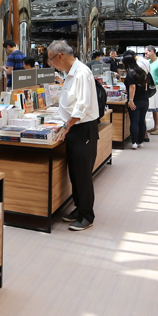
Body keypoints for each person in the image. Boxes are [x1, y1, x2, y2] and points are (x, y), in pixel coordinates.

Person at [47, 40, 100, 232]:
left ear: (59, 56)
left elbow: (83, 104)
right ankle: (79, 209)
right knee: (75, 173)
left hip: (82, 128)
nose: (51, 64)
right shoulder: (70, 74)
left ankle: (87, 215)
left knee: (83, 174)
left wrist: (67, 126)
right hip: (75, 127)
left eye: (51, 60)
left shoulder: (81, 72)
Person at [121, 51, 149, 149]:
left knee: (134, 121)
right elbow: (145, 85)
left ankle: (134, 142)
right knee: (142, 121)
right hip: (145, 100)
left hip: (135, 100)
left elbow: (132, 87)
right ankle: (140, 141)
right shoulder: (141, 71)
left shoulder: (130, 73)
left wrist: (131, 100)